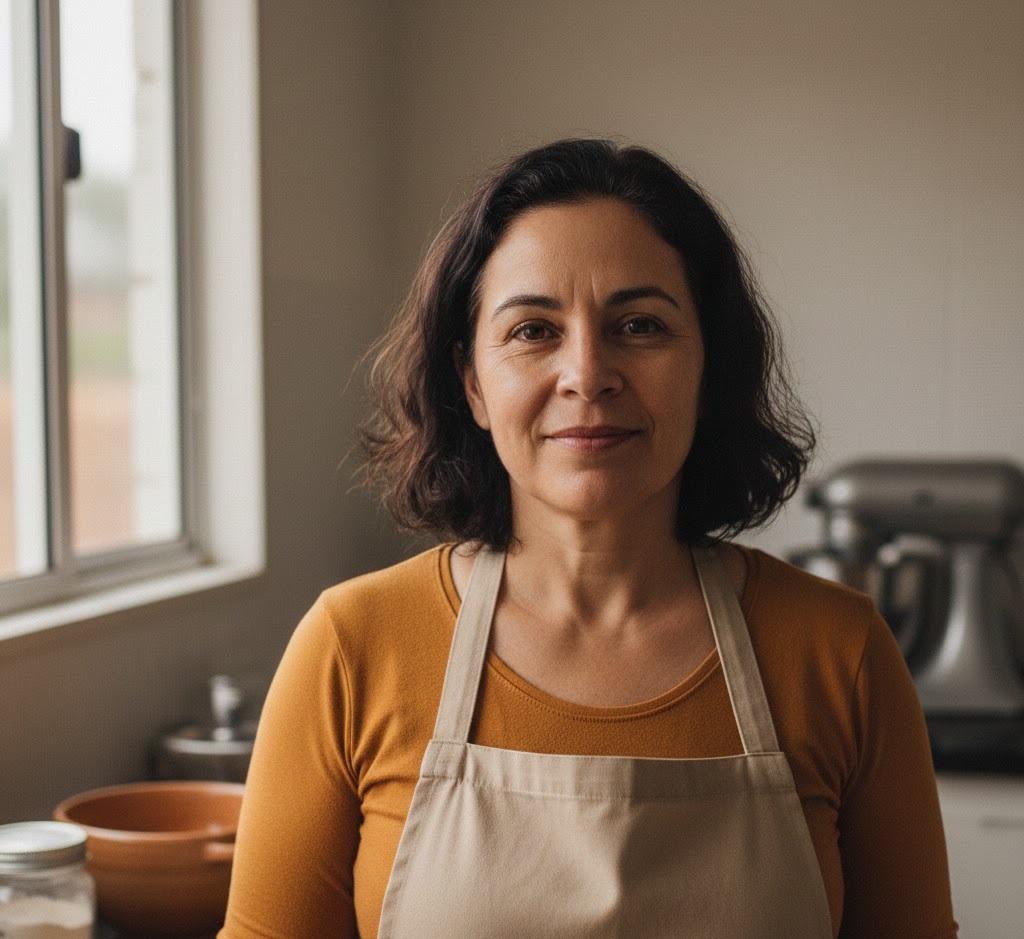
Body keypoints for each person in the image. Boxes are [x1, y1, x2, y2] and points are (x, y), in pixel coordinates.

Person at [219, 138, 958, 938]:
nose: (587, 372)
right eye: (533, 330)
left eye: (639, 325)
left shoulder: (840, 652)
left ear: (709, 368)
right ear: (472, 382)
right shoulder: (352, 646)